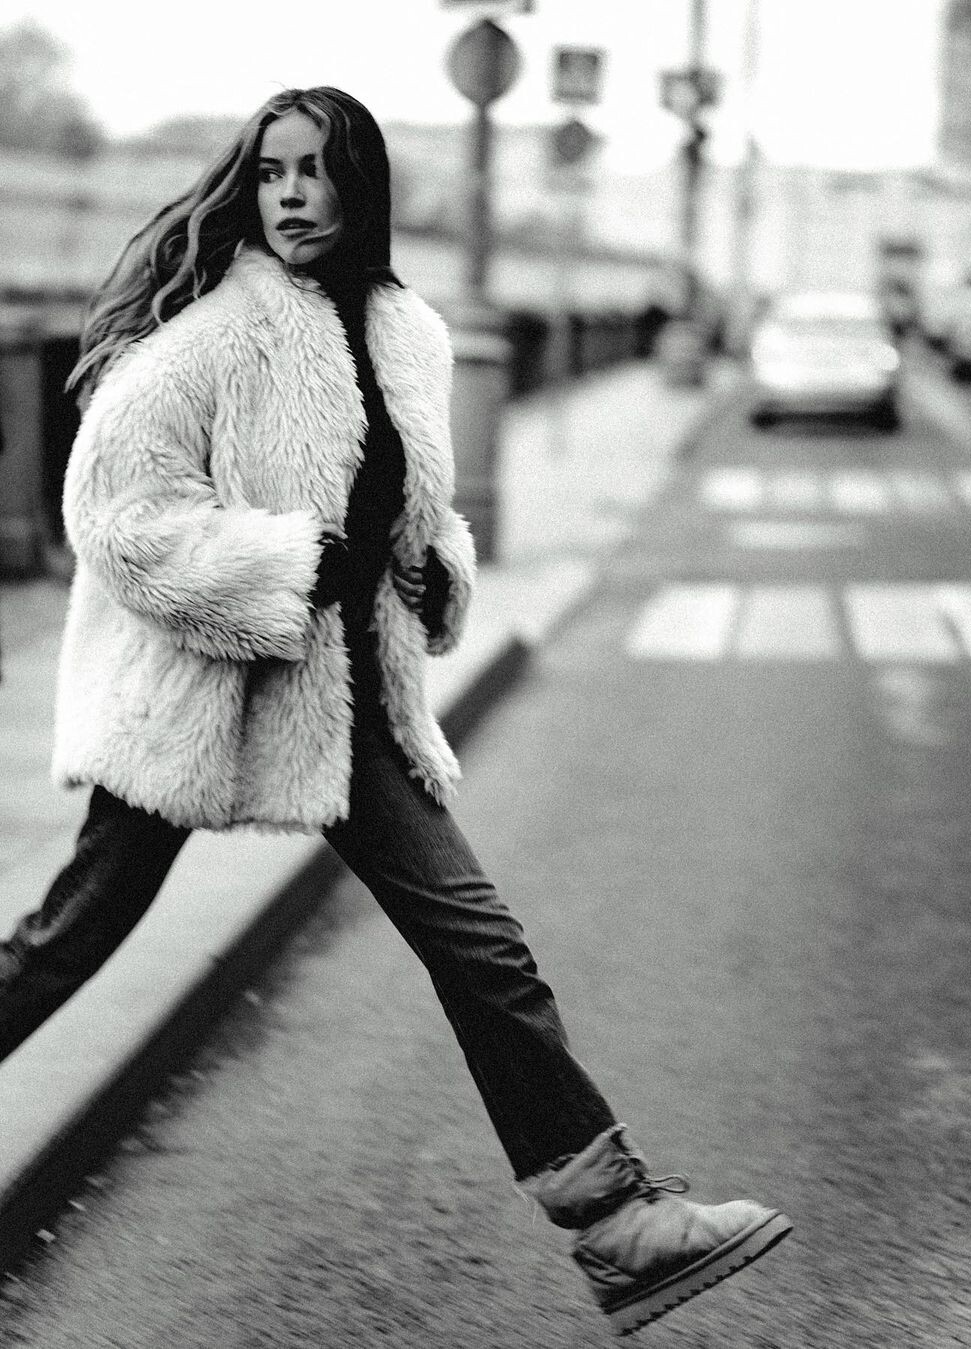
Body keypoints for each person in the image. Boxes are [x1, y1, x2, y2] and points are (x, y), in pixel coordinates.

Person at [0, 88, 790, 1334]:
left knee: (483, 944)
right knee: (71, 936)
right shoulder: (211, 336)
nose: (291, 194)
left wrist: (435, 567)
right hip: (195, 700)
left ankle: (617, 1220)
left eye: (314, 171)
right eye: (272, 172)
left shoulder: (409, 332)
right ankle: (619, 1213)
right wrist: (283, 565)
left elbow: (415, 508)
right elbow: (114, 516)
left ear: (360, 185)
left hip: (347, 700)